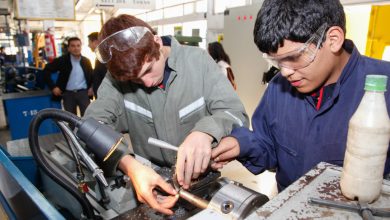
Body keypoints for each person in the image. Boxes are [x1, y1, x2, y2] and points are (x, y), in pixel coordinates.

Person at [211, 0, 390, 192]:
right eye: (276, 61)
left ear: (333, 39)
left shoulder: (384, 89)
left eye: (294, 57)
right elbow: (267, 145)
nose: (285, 72)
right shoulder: (278, 87)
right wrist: (241, 144)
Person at [83, 14, 248, 215]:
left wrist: (205, 133)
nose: (147, 83)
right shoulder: (116, 80)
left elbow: (235, 113)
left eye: (148, 69)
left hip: (202, 180)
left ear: (157, 42)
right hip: (150, 178)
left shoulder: (198, 62)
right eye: (135, 80)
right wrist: (129, 165)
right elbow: (92, 126)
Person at [43, 37, 93, 116]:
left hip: (83, 94)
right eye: (73, 46)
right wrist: (53, 87)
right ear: (68, 48)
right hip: (68, 95)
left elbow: (91, 76)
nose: (76, 48)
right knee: (71, 120)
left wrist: (91, 87)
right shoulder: (62, 60)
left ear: (81, 47)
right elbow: (46, 71)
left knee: (87, 119)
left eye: (78, 45)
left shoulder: (86, 61)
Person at [87, 32, 107, 98]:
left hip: (105, 96)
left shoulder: (104, 58)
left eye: (89, 42)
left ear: (95, 42)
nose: (88, 45)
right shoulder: (99, 57)